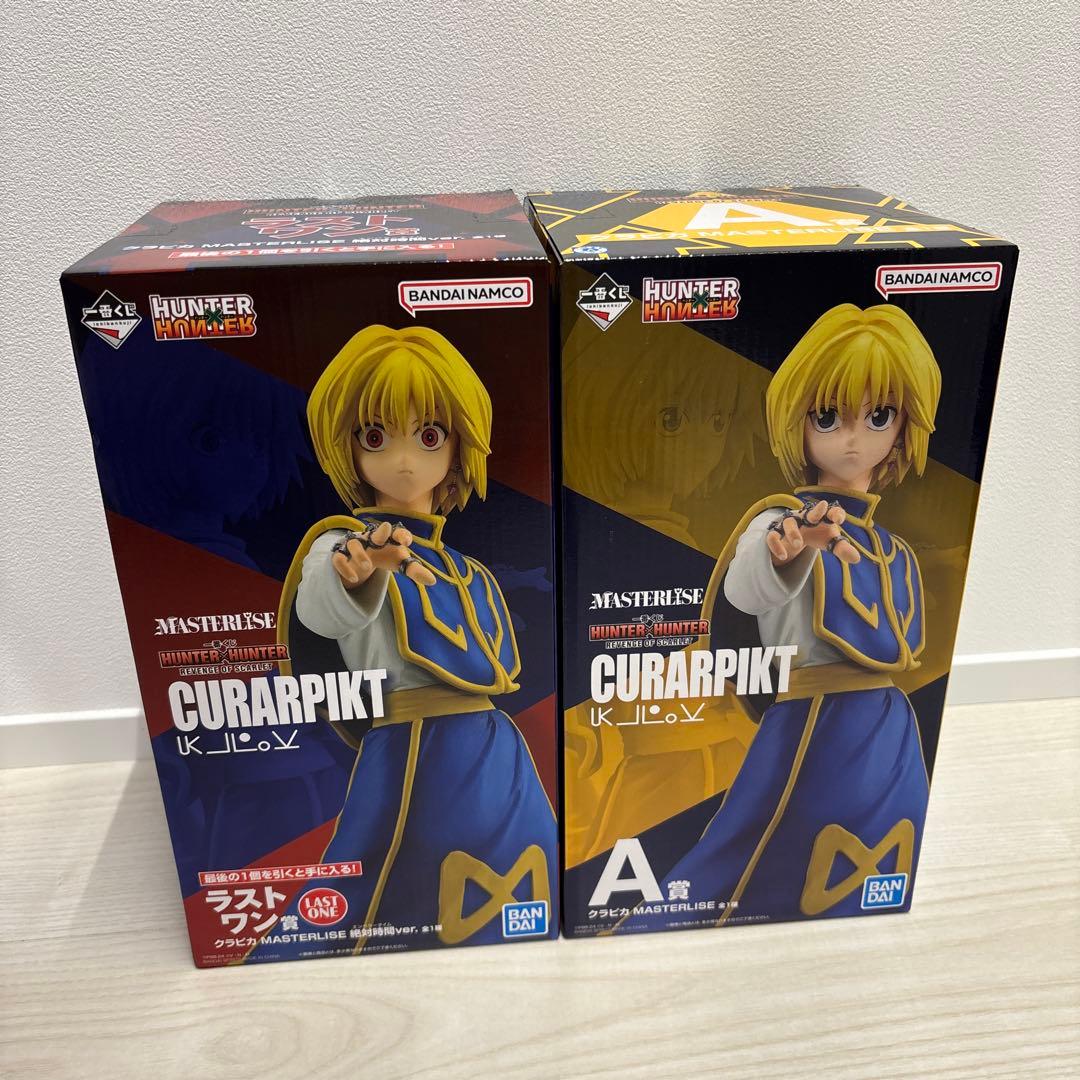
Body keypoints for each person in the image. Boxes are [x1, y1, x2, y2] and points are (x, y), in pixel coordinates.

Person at [246, 325, 555, 961]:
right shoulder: (341, 543)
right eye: (376, 437)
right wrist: (358, 576)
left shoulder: (468, 568)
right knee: (374, 883)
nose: (405, 459)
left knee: (532, 861)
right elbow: (321, 613)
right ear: (348, 447)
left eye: (430, 436)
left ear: (458, 446)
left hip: (496, 746)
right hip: (412, 742)